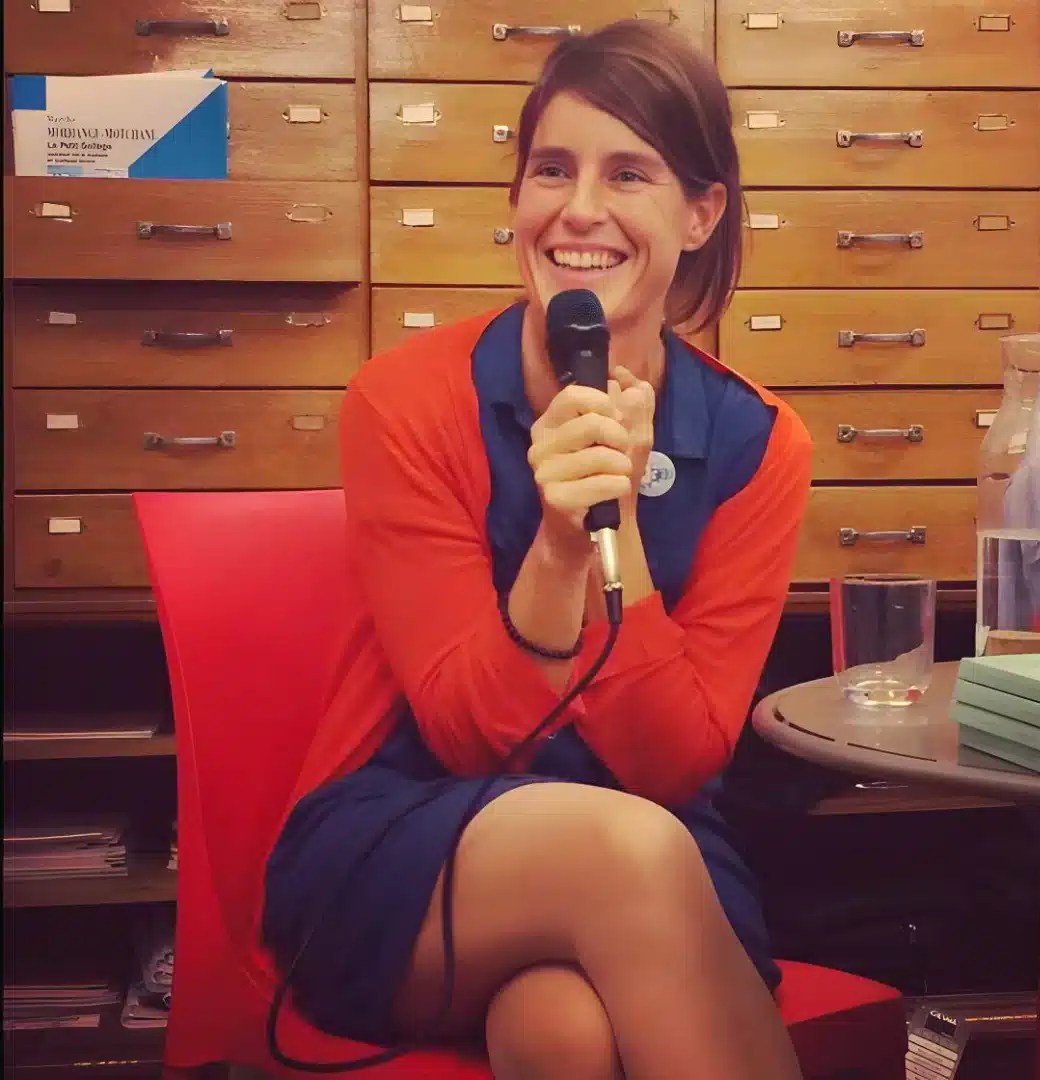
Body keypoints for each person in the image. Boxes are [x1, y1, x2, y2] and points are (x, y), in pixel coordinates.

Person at [262, 19, 812, 1080]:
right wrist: (562, 546)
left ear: (702, 213)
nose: (579, 209)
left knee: (563, 1026)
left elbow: (673, 762)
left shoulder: (759, 445)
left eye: (629, 174)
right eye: (552, 169)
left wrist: (619, 525)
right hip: (408, 838)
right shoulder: (405, 402)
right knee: (626, 852)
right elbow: (469, 737)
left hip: (656, 835)